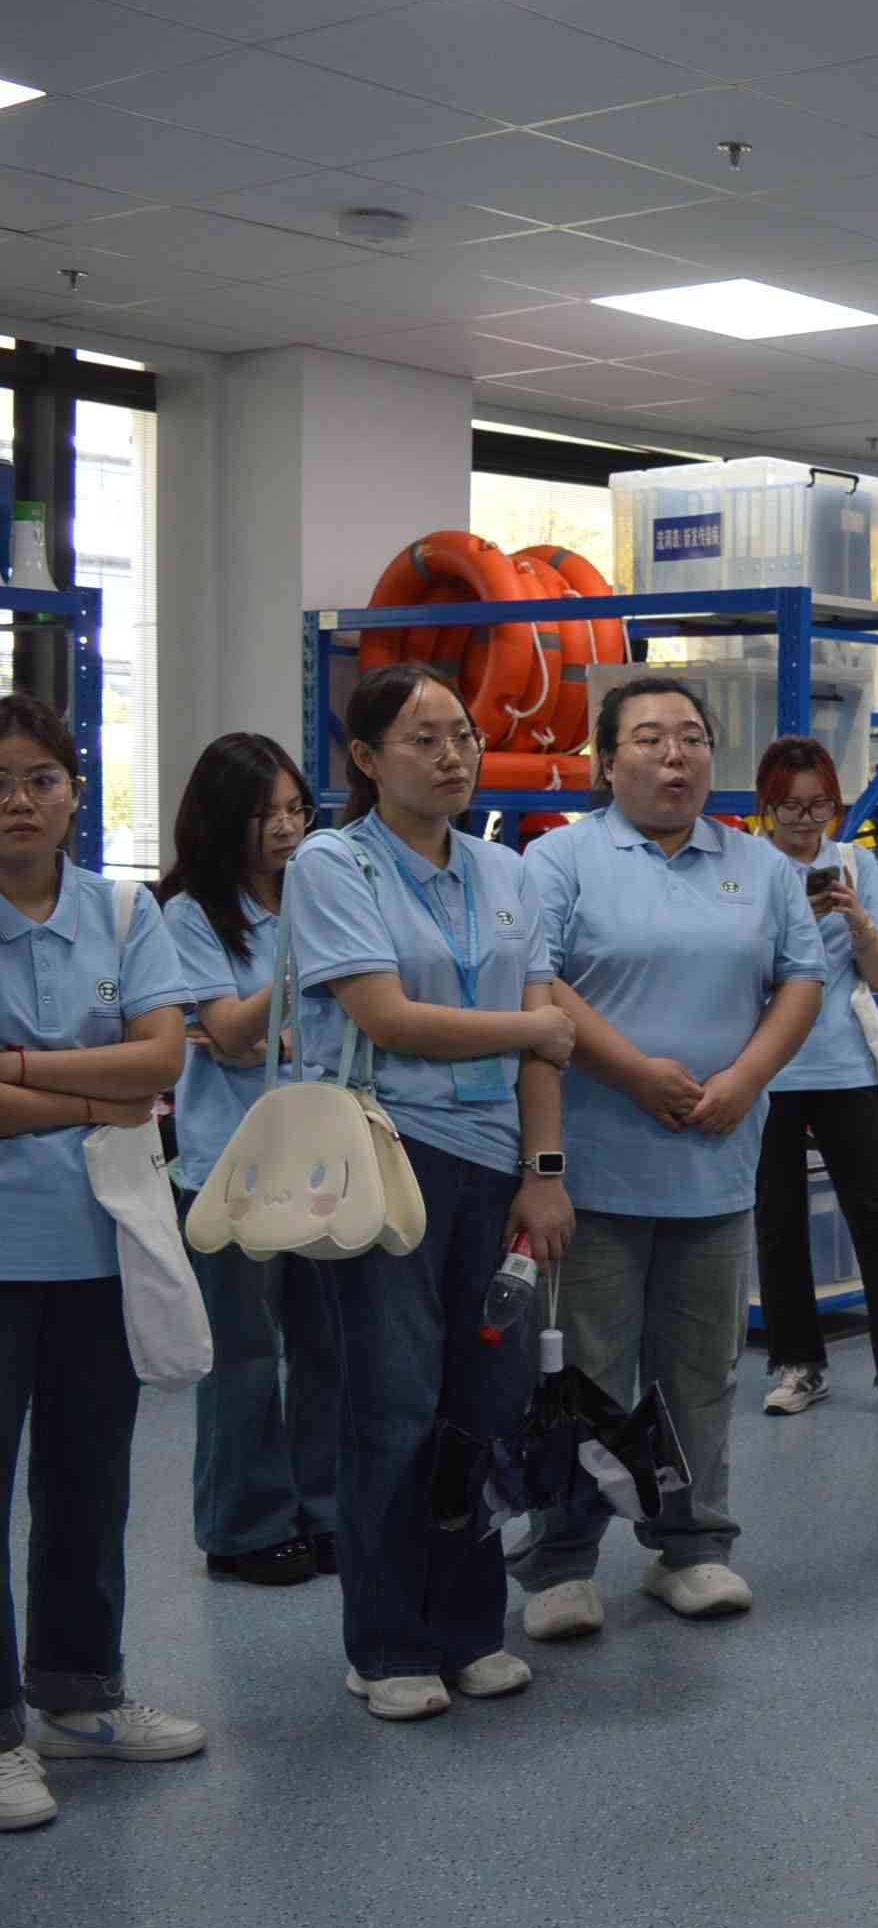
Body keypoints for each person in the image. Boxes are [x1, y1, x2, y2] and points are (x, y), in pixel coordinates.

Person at [287, 663, 574, 1723]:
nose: (453, 755)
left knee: (485, 1404)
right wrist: (533, 1026)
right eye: (424, 738)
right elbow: (389, 1016)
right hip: (388, 1159)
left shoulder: (508, 870)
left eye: (463, 734)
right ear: (366, 759)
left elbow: (547, 1046)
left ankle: (468, 1627)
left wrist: (544, 1171)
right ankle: (388, 1642)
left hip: (495, 1166)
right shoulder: (334, 863)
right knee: (393, 1405)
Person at [514, 677, 822, 1640]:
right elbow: (537, 982)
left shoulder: (760, 865)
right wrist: (633, 1072)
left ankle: (690, 1548)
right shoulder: (560, 857)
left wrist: (746, 1078)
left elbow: (802, 980)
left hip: (715, 1166)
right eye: (649, 738)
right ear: (608, 761)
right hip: (595, 1170)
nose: (675, 755)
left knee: (699, 1375)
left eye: (691, 737)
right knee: (585, 1376)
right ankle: (563, 1561)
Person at [0, 694, 205, 1827]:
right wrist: (97, 1090)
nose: (19, 801)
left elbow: (161, 1061)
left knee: (88, 1482)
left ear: (76, 793)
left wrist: (28, 1074)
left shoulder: (124, 912)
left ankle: (78, 1694)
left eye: (40, 778)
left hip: (100, 1245)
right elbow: (127, 1081)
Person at [159, 733, 341, 1584]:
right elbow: (231, 1032)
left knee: (324, 1345)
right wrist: (306, 957)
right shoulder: (191, 914)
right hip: (231, 1164)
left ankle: (324, 1509)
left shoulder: (324, 892)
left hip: (322, 1159)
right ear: (221, 819)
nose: (286, 828)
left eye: (296, 809)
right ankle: (242, 1527)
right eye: (265, 814)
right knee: (243, 1354)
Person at [747, 736, 878, 1417]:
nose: (806, 821)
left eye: (820, 805)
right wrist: (790, 922)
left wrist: (859, 921)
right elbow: (734, 969)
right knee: (777, 1222)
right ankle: (799, 1363)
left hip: (844, 1062)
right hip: (765, 1068)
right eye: (790, 807)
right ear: (767, 806)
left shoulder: (857, 863)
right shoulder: (747, 870)